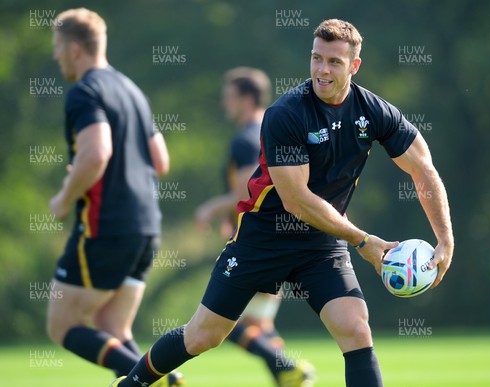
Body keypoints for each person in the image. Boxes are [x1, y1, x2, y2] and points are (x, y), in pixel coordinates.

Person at [111, 18, 454, 387]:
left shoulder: (373, 112)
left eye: (334, 62)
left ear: (354, 66)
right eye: (316, 58)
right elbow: (297, 200)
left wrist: (446, 239)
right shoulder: (286, 113)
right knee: (203, 336)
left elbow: (423, 169)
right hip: (263, 238)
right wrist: (364, 241)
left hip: (321, 244)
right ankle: (131, 383)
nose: (322, 69)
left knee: (355, 330)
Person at [46, 8, 183, 386]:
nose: (56, 56)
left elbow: (97, 153)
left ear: (75, 49)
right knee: (112, 327)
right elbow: (161, 160)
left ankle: (167, 381)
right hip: (146, 228)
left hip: (105, 227)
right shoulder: (131, 90)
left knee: (62, 324)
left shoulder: (85, 91)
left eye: (58, 47)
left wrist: (64, 197)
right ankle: (154, 378)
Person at [195, 67, 315, 386]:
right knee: (257, 324)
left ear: (246, 98)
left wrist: (211, 208)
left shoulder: (247, 137)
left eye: (229, 97)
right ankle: (289, 375)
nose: (224, 104)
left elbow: (248, 189)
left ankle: (288, 368)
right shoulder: (275, 128)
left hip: (256, 243)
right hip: (284, 237)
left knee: (222, 319)